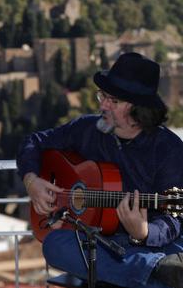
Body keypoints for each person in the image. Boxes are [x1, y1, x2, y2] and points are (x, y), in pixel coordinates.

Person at [17, 52, 183, 288]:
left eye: (113, 101)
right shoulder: (87, 129)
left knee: (176, 249)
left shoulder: (169, 149)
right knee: (54, 245)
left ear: (139, 110)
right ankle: (153, 271)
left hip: (150, 245)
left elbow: (174, 222)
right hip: (98, 240)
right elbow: (33, 142)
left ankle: (147, 270)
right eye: (103, 96)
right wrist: (31, 181)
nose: (102, 104)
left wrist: (144, 232)